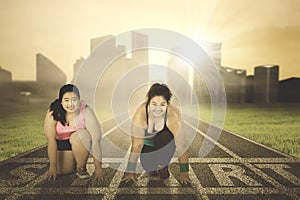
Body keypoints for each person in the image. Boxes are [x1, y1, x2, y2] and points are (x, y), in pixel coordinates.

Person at [122, 83, 191, 184]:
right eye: (154, 104)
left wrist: (184, 173)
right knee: (149, 167)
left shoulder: (173, 115)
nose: (158, 109)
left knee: (163, 136)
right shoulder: (141, 113)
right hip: (148, 146)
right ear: (148, 102)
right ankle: (154, 166)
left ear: (167, 104)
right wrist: (130, 171)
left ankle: (163, 164)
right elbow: (137, 145)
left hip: (165, 144)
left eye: (162, 104)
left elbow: (181, 146)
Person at [44, 84, 104, 181]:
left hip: (79, 141)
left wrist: (98, 168)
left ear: (79, 100)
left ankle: (81, 167)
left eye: (74, 100)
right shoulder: (53, 111)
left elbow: (96, 140)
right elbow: (51, 140)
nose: (71, 104)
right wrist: (53, 166)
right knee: (63, 170)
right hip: (61, 142)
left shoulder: (86, 111)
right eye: (66, 100)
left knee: (80, 135)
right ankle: (71, 160)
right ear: (61, 102)